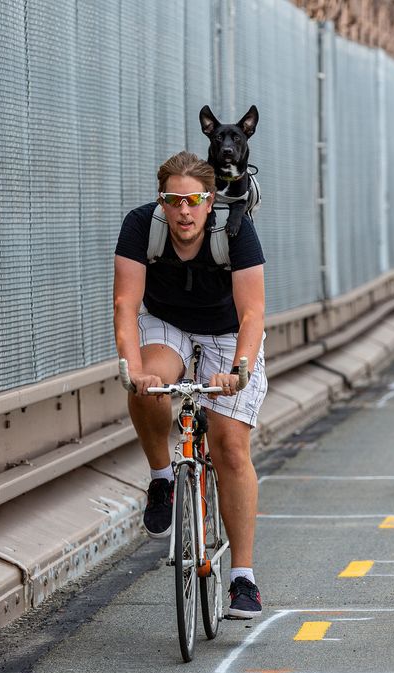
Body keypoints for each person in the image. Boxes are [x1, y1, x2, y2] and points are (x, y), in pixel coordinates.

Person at [113, 150, 269, 619]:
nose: (184, 211)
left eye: (195, 200)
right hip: (167, 324)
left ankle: (243, 579)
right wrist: (131, 366)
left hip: (227, 332)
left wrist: (238, 369)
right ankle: (162, 477)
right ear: (161, 201)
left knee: (229, 448)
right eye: (174, 200)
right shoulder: (141, 227)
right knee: (149, 384)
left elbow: (252, 313)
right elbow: (125, 304)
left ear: (210, 201)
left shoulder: (235, 232)